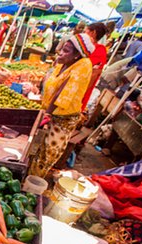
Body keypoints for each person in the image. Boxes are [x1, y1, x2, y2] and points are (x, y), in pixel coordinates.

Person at [29, 34, 94, 178]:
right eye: (62, 49)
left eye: (66, 51)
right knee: (38, 148)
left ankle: (32, 183)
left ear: (77, 55)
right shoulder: (63, 63)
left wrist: (48, 113)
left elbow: (61, 92)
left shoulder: (83, 65)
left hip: (62, 118)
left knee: (49, 152)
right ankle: (29, 177)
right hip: (49, 112)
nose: (61, 53)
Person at [82, 22, 108, 111]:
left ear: (93, 33)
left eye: (85, 31)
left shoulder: (100, 50)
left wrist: (79, 92)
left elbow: (94, 74)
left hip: (80, 89)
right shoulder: (84, 47)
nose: (83, 34)